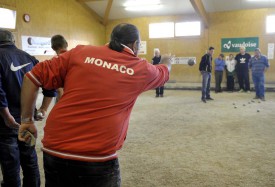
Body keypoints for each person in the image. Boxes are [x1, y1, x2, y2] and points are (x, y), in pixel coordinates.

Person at [18, 23, 171, 187]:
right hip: (96, 158)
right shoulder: (141, 69)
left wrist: (27, 120)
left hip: (55, 149)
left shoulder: (80, 52)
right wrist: (167, 60)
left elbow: (31, 77)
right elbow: (164, 72)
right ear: (135, 45)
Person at [0, 29, 56, 187]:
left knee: (10, 166)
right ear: (13, 41)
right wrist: (43, 109)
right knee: (30, 160)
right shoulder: (29, 58)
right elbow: (50, 86)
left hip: (5, 124)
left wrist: (6, 116)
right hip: (27, 120)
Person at [51, 34, 68, 103]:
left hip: (63, 99)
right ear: (66, 44)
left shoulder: (54, 61)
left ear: (53, 48)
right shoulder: (75, 57)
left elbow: (59, 90)